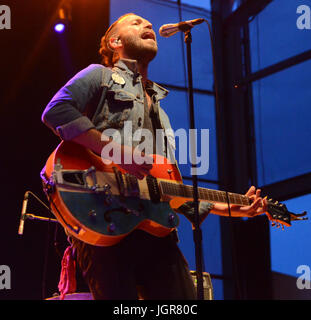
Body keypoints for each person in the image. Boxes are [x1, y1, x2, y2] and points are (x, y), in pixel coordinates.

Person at [42, 13, 267, 300]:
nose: (147, 25)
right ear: (115, 42)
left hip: (155, 230)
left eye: (147, 23)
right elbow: (56, 112)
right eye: (135, 23)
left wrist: (237, 208)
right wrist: (115, 151)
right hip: (104, 217)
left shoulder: (160, 113)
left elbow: (173, 191)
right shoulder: (98, 75)